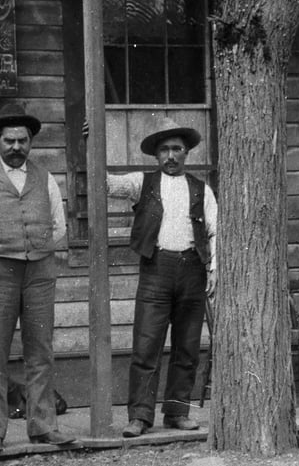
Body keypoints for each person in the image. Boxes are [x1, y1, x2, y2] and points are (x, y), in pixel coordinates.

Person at [0, 103, 76, 454]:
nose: (16, 147)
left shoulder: (45, 177)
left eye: (23, 140)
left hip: (38, 272)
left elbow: (58, 225)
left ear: (31, 142)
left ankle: (44, 426)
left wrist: (37, 251)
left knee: (41, 351)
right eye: (9, 141)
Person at [100, 117, 218, 437]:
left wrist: (213, 269)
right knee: (147, 343)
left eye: (177, 149)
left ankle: (177, 413)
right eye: (164, 149)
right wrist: (91, 145)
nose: (171, 155)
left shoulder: (201, 189)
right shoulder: (142, 183)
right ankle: (140, 416)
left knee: (188, 345)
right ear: (156, 155)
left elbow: (214, 231)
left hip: (193, 268)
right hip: (155, 269)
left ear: (186, 153)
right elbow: (106, 184)